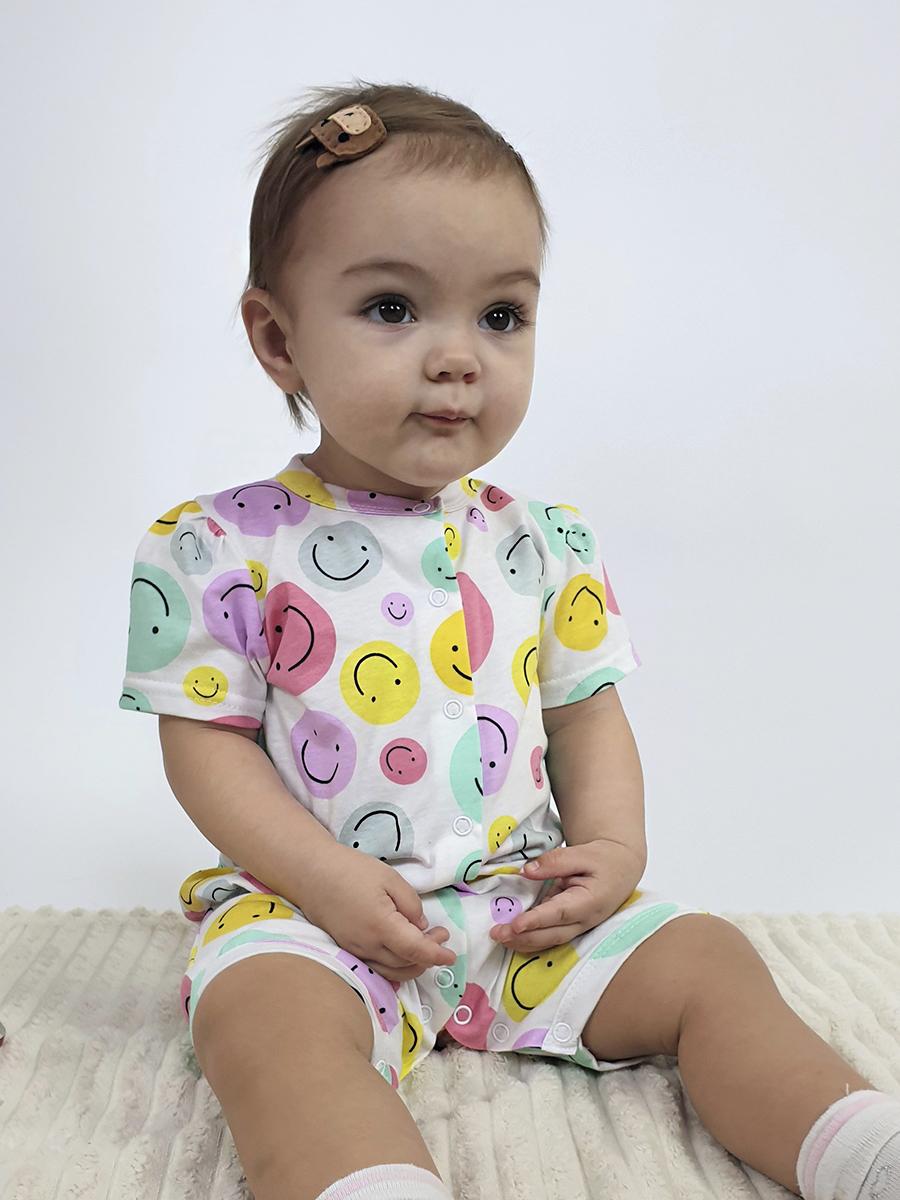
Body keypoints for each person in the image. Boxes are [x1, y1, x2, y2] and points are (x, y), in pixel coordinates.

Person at [118, 81, 900, 1200]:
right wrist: (325, 881)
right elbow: (207, 745)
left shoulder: (543, 542)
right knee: (264, 1024)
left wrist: (614, 849)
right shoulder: (218, 545)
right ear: (278, 338)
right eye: (394, 307)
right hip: (313, 915)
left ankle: (857, 1149)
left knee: (709, 958)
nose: (458, 357)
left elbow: (585, 715)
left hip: (518, 907)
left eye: (501, 316)